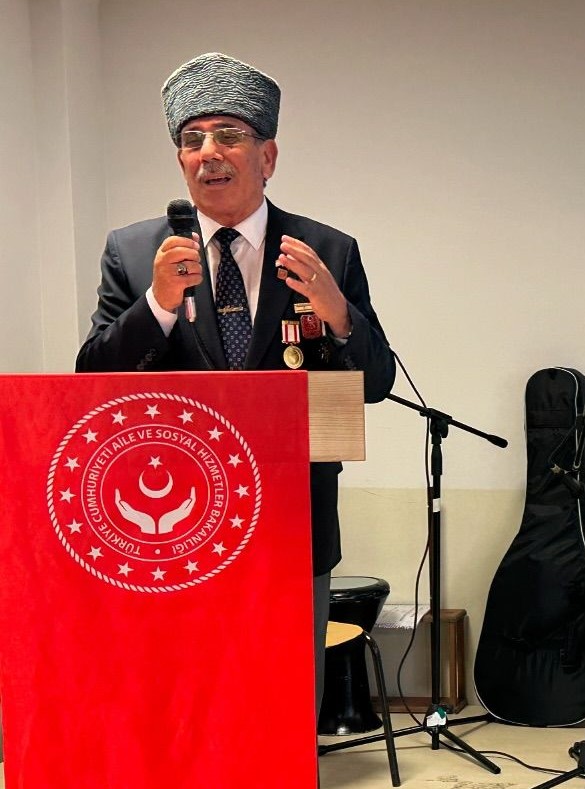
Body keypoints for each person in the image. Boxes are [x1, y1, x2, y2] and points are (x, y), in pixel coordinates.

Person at [75, 52, 396, 714]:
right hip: (173, 522)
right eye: (192, 140)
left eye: (228, 135)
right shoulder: (134, 253)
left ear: (267, 157)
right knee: (182, 702)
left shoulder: (327, 250)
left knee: (282, 705)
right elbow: (91, 378)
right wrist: (158, 305)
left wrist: (338, 312)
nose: (208, 154)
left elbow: (377, 382)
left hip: (292, 516)